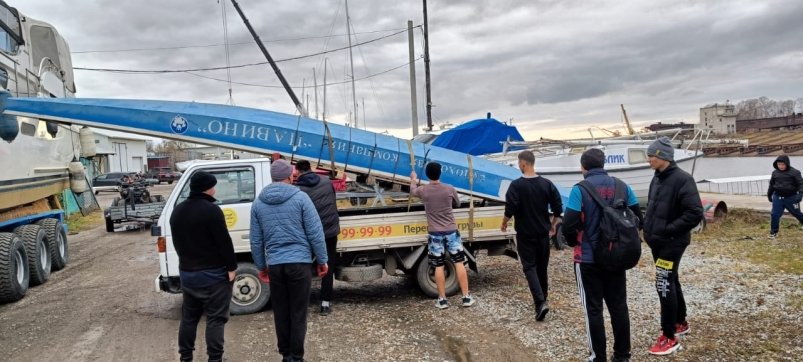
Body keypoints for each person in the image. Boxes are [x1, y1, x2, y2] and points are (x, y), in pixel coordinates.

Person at [562, 149, 642, 362]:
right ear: (604, 164)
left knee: (594, 310)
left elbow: (568, 224)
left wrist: (574, 242)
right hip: (617, 256)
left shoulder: (579, 190)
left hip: (588, 259)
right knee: (618, 306)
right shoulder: (622, 186)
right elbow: (638, 218)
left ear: (583, 167)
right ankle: (622, 355)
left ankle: (598, 357)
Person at [250, 159, 328, 362]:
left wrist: (261, 266)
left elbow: (256, 239)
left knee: (281, 311)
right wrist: (322, 259)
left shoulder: (258, 203)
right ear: (290, 175)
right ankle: (297, 356)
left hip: (275, 265)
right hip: (299, 264)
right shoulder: (301, 198)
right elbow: (315, 232)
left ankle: (286, 354)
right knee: (298, 311)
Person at [643, 137, 703, 356]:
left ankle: (669, 336)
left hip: (672, 242)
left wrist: (668, 229)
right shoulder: (657, 178)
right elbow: (652, 206)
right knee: (671, 278)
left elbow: (694, 213)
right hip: (657, 242)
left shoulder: (682, 180)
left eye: (652, 155)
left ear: (663, 157)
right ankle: (680, 321)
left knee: (663, 283)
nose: (648, 159)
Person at [169, 171, 237, 362]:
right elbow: (224, 242)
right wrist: (231, 267)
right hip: (213, 275)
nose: (215, 189)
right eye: (214, 186)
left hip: (188, 274)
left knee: (189, 318)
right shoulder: (211, 210)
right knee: (216, 318)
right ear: (209, 188)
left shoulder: (178, 210)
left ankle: (185, 357)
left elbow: (177, 242)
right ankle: (215, 359)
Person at [501, 150, 563, 321]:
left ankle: (540, 303)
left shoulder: (516, 186)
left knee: (529, 267)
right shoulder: (546, 184)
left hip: (525, 233)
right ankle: (544, 298)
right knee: (542, 267)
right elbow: (558, 207)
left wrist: (504, 222)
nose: (518, 166)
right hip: (543, 233)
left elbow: (510, 208)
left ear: (523, 163)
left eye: (518, 163)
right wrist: (553, 224)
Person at [410, 162, 476, 309]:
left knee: (438, 265)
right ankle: (466, 297)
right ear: (440, 173)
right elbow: (457, 204)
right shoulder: (449, 188)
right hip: (452, 232)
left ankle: (442, 300)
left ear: (427, 174)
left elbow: (412, 191)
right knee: (459, 262)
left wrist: (413, 179)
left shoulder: (423, 191)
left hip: (435, 234)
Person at [295, 160, 340, 315]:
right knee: (328, 266)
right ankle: (325, 304)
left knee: (306, 267)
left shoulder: (298, 190)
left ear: (297, 171)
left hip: (310, 235)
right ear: (311, 168)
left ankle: (303, 303)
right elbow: (333, 202)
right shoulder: (327, 182)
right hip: (330, 231)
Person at [767, 155, 803, 238]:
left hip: (791, 197)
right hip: (778, 197)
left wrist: (800, 194)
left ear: (787, 164)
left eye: (783, 164)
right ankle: (773, 232)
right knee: (774, 214)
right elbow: (772, 185)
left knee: (797, 214)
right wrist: (769, 194)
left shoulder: (795, 172)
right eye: (779, 164)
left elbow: (801, 184)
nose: (781, 166)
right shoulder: (775, 173)